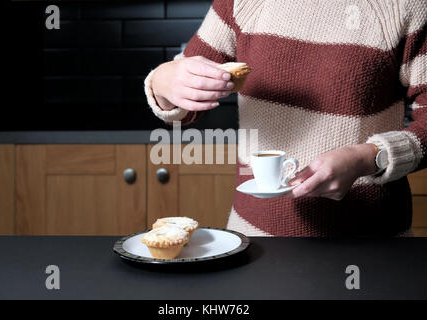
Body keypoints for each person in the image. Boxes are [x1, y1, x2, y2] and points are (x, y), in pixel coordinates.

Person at [144, 0, 427, 236]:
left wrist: (369, 157)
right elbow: (182, 105)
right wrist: (163, 81)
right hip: (254, 238)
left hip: (372, 244)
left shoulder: (404, 5)